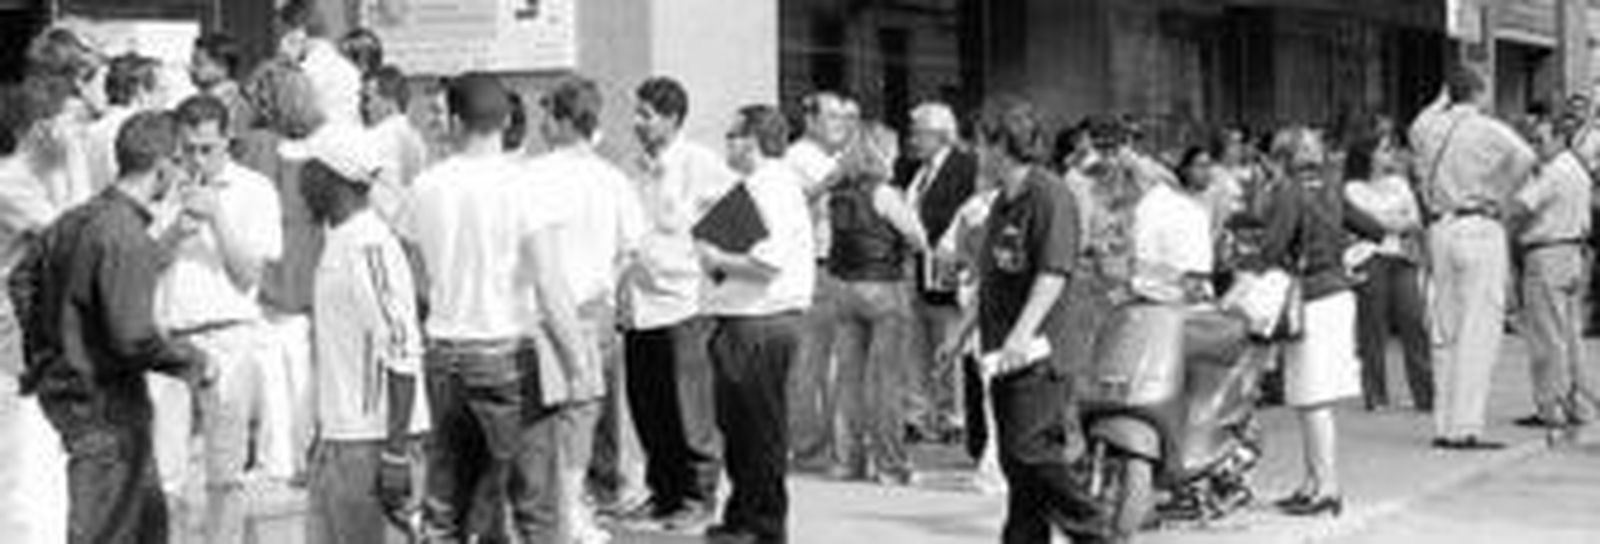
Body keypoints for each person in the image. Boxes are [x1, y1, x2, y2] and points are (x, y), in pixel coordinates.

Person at [400, 73, 587, 544]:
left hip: (445, 352)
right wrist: (577, 365)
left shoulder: (426, 185)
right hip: (508, 354)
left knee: (446, 505)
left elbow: (416, 269)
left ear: (455, 121)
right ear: (506, 120)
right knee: (533, 506)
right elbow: (549, 283)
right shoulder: (525, 185)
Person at [10, 110, 210, 544]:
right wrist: (194, 361)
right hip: (104, 408)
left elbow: (23, 279)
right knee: (106, 531)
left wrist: (48, 350)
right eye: (178, 163)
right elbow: (133, 336)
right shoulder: (122, 233)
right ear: (164, 166)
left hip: (82, 398)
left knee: (145, 525)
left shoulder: (76, 219)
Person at [150, 94, 285, 543]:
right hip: (170, 339)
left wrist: (217, 216)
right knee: (166, 474)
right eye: (187, 148)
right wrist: (175, 229)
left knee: (225, 474)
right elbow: (143, 265)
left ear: (228, 140)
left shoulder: (255, 189)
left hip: (229, 336)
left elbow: (250, 274)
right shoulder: (161, 188)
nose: (196, 158)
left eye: (207, 148)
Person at [970, 97, 1104, 544]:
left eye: (980, 143)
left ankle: (1093, 529)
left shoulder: (1049, 195)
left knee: (1032, 451)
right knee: (1016, 464)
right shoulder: (1001, 203)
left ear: (1001, 146)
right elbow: (992, 275)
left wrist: (1022, 332)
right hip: (1002, 351)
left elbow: (1053, 272)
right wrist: (962, 332)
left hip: (1040, 351)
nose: (976, 153)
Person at [522, 75, 646, 544]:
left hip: (536, 312)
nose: (540, 123)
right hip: (593, 310)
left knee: (536, 421)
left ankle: (541, 514)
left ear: (559, 120)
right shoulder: (612, 179)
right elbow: (631, 250)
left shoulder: (532, 175)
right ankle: (572, 513)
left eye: (545, 114)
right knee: (581, 420)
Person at [296, 122, 428, 544]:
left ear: (330, 176)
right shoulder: (341, 240)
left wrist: (395, 451)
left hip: (369, 444)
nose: (299, 182)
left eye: (306, 170)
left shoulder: (368, 246)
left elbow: (402, 349)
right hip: (341, 440)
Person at [698, 103, 814, 544]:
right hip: (740, 320)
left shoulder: (775, 188)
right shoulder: (752, 186)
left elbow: (767, 265)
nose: (727, 144)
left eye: (732, 136)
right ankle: (742, 514)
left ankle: (763, 524)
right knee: (740, 428)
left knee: (760, 429)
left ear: (753, 140)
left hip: (762, 322)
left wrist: (716, 257)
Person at [618, 76, 731, 531]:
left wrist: (714, 277)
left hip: (685, 305)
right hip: (640, 304)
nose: (638, 123)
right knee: (649, 405)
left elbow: (741, 223)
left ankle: (698, 496)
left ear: (672, 119)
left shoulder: (700, 164)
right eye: (637, 113)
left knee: (690, 411)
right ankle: (661, 492)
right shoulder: (634, 166)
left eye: (646, 115)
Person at [1409, 68, 1537, 450]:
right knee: (1478, 330)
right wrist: (1500, 192)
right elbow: (1525, 156)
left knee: (1445, 331)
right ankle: (1465, 427)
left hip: (1440, 229)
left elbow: (1420, 121)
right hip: (1479, 226)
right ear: (1479, 93)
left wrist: (1442, 96)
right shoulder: (1486, 128)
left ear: (1449, 93)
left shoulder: (1427, 127)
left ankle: (1443, 424)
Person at [1257, 127, 1358, 517]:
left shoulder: (1287, 190)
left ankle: (1326, 488)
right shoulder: (1332, 187)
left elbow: (1274, 246)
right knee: (1308, 397)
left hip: (1312, 299)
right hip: (1336, 294)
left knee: (1312, 398)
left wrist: (1252, 264)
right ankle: (1312, 482)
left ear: (1279, 159)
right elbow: (1371, 227)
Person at [827, 121, 925, 485]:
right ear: (882, 152)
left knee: (847, 381)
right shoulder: (884, 193)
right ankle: (890, 466)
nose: (898, 155)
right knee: (886, 382)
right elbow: (917, 235)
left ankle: (845, 462)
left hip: (843, 285)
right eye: (894, 149)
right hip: (883, 286)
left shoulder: (838, 192)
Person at [0, 82, 70, 544]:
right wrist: (69, 168)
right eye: (63, 123)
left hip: (23, 330)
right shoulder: (12, 183)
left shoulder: (24, 179)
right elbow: (70, 236)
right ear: (41, 128)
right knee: (18, 460)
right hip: (10, 331)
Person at [894, 101, 977, 442]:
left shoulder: (964, 166)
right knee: (915, 342)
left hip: (945, 268)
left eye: (919, 133)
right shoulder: (913, 170)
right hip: (914, 268)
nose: (913, 140)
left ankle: (952, 416)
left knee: (948, 340)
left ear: (940, 135)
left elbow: (971, 214)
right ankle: (917, 413)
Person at [1508, 119, 1595, 430]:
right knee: (1570, 334)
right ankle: (1579, 405)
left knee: (1548, 336)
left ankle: (1552, 407)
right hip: (1572, 252)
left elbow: (1519, 207)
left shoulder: (1555, 170)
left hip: (1547, 253)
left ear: (1560, 138)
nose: (1535, 147)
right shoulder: (1576, 167)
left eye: (1540, 140)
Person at [786, 91, 852, 470]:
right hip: (815, 264)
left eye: (844, 118)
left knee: (834, 361)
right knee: (810, 359)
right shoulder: (798, 157)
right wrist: (831, 181)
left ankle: (832, 442)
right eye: (832, 117)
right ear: (810, 120)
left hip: (842, 265)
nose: (839, 125)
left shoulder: (834, 157)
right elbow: (794, 204)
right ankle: (807, 445)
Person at [1342, 138, 1433, 413]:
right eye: (1383, 149)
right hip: (1369, 258)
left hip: (1402, 257)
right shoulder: (1352, 188)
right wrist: (1394, 220)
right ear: (1367, 154)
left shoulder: (1400, 183)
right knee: (1373, 328)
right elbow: (1374, 224)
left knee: (1414, 321)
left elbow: (1414, 220)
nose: (1390, 154)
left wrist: (1393, 221)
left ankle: (1425, 394)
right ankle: (1376, 394)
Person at [360, 65, 430, 227]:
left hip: (382, 230)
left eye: (368, 98)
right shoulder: (416, 137)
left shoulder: (376, 138)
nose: (364, 107)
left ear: (389, 102)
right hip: (410, 228)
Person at [86, 54, 163, 193]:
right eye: (160, 90)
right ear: (141, 92)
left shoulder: (90, 130)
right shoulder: (140, 133)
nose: (163, 99)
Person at [189, 32, 253, 147]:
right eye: (192, 62)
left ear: (222, 67)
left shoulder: (237, 105)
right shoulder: (204, 101)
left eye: (199, 63)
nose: (191, 69)